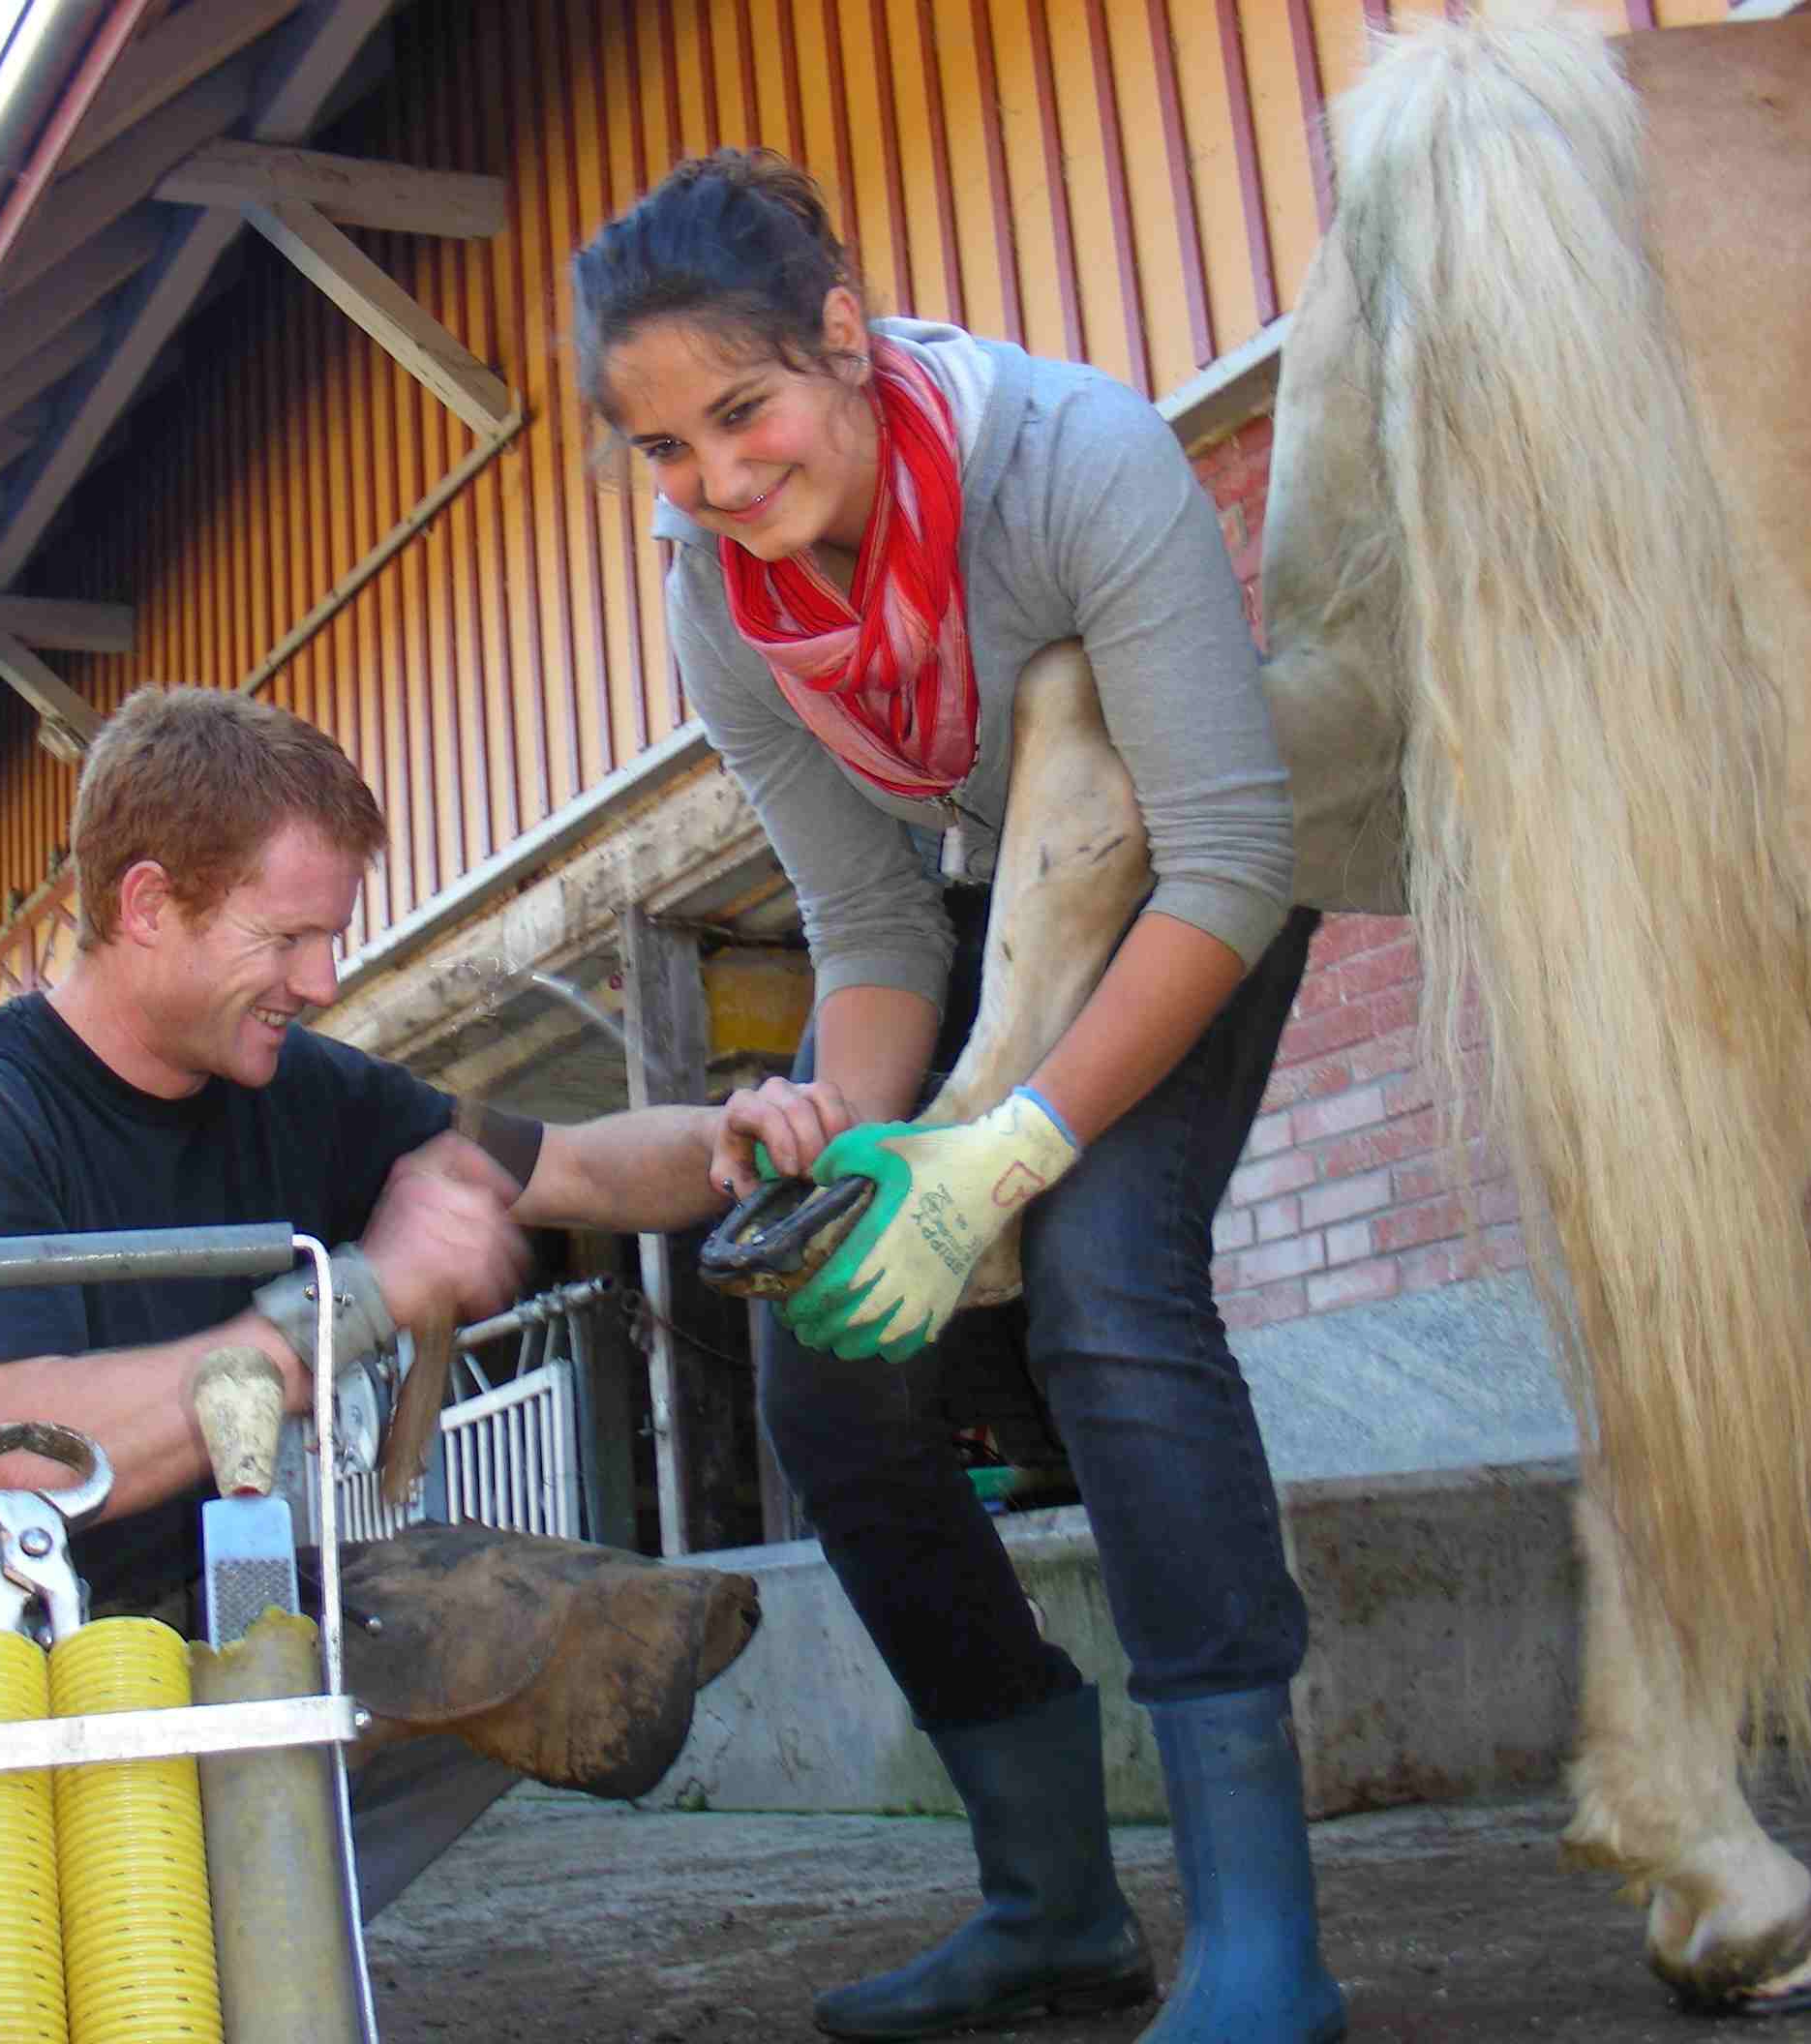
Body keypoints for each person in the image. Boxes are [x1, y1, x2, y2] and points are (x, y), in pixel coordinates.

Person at [572, 153, 1343, 2044]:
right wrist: (854, 1135)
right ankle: (1051, 1906)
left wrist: (1006, 1148)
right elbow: (867, 914)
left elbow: (1233, 864)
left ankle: (1264, 1941)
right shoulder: (713, 586)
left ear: (840, 336)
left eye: (742, 412)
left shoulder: (1077, 459)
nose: (720, 483)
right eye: (665, 449)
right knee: (824, 1350)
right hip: (1000, 898)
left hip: (1190, 879)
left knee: (1101, 1287)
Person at [0, 681, 752, 1909]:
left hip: (208, 1606)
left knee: (610, 1626)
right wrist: (361, 1300)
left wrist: (753, 1135)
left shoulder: (298, 1090)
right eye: (286, 939)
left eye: (331, 936)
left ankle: (254, 1931)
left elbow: (581, 1166)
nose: (322, 980)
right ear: (147, 903)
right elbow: (26, 1455)